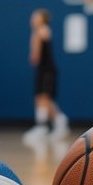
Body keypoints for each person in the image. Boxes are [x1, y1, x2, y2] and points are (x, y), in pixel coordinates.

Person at [24, 8, 68, 140]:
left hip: (47, 70)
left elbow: (35, 56)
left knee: (45, 98)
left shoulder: (41, 31)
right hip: (42, 70)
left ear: (42, 19)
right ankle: (51, 124)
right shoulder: (39, 31)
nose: (32, 19)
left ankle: (47, 125)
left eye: (35, 16)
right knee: (40, 98)